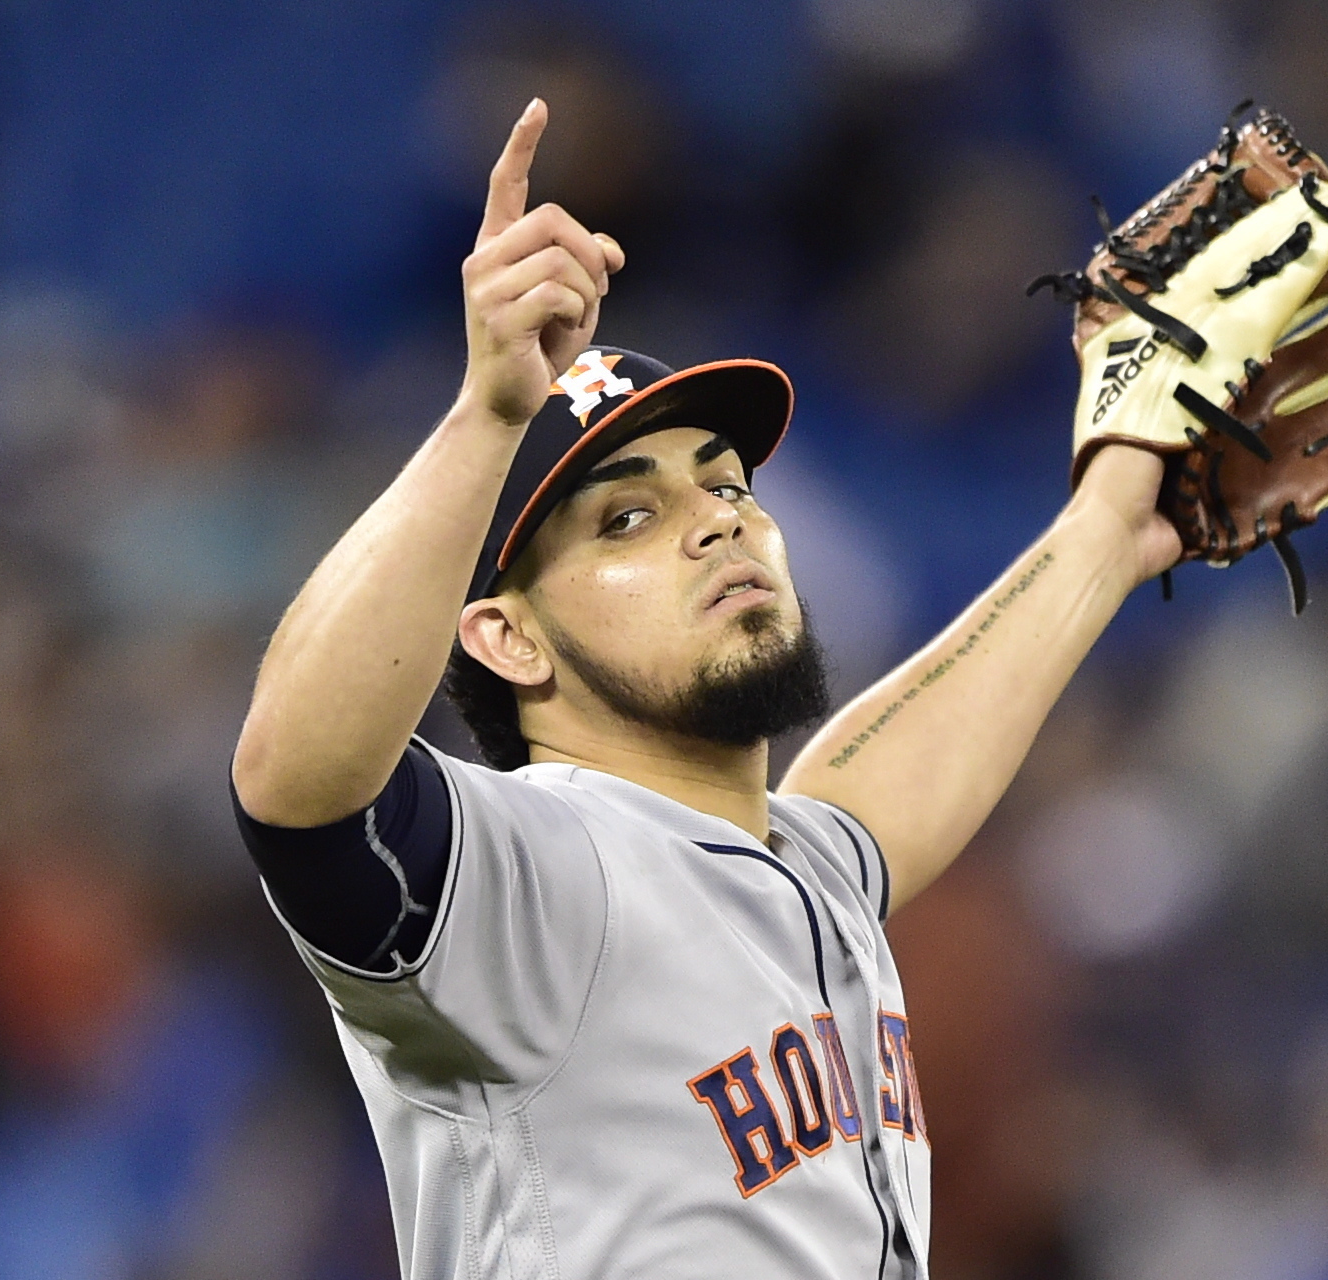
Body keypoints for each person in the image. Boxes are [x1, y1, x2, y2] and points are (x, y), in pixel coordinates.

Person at [230, 98, 1178, 1280]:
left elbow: (862, 808)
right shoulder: (527, 870)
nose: (716, 525)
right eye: (630, 514)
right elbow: (299, 785)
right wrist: (487, 416)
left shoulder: (802, 873)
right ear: (509, 640)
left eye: (726, 485)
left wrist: (1105, 527)